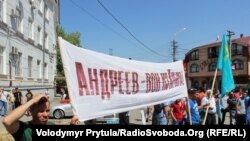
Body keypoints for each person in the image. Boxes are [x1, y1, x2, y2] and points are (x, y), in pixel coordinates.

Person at [2, 93, 80, 141]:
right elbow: (7, 121)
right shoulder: (24, 129)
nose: (46, 115)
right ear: (31, 111)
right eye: (41, 111)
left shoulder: (51, 125)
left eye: (47, 110)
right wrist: (32, 101)